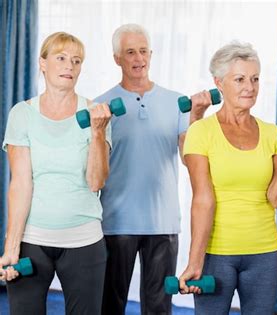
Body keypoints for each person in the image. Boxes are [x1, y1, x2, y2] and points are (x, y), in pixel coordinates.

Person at [178, 41, 277, 314]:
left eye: (254, 79)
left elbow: (276, 198)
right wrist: (195, 261)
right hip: (217, 253)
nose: (249, 87)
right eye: (239, 79)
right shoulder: (201, 132)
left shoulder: (272, 133)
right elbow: (203, 200)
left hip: (264, 253)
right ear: (219, 82)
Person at [95, 24, 211, 315]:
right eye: (130, 51)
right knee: (111, 303)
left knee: (159, 306)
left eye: (144, 51)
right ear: (116, 58)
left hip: (163, 222)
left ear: (151, 54)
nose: (139, 58)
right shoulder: (100, 105)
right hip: (116, 220)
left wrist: (197, 114)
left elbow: (189, 157)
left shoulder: (176, 102)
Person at [0, 32, 112, 314]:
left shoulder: (95, 113)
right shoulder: (22, 114)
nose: (69, 66)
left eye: (76, 61)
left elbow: (96, 181)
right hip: (33, 239)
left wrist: (98, 133)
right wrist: (12, 247)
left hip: (84, 239)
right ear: (42, 63)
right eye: (61, 58)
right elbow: (21, 184)